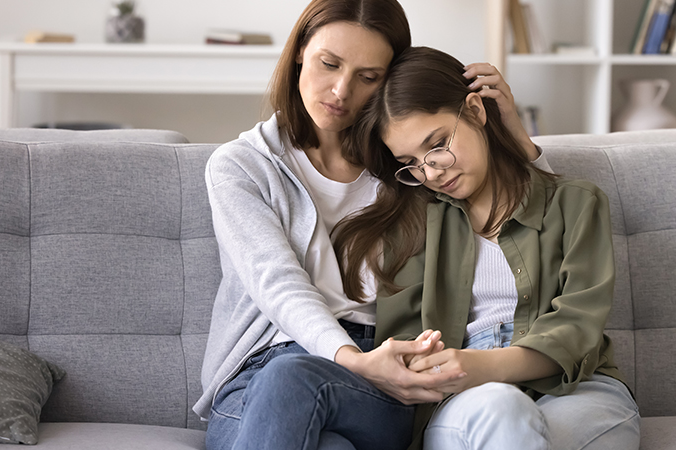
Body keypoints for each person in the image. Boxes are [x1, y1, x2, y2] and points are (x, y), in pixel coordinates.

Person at [194, 1, 545, 449]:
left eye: (368, 77)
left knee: (296, 378)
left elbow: (523, 225)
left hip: (380, 373)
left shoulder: (409, 169)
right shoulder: (241, 166)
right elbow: (275, 281)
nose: (341, 90)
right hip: (260, 373)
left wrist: (514, 133)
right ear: (300, 50)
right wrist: (347, 358)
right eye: (329, 63)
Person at [335, 46, 641, 450]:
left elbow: (578, 325)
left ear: (476, 111)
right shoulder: (410, 227)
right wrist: (443, 367)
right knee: (502, 410)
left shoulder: (577, 203)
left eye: (438, 142)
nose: (431, 171)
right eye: (411, 162)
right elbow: (406, 339)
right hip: (465, 396)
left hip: (577, 387)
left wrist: (483, 365)